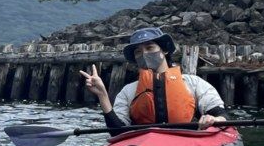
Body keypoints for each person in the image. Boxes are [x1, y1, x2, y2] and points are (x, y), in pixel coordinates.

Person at [80, 27, 227, 133]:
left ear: (164, 50)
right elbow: (117, 132)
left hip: (188, 144)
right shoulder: (128, 92)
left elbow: (222, 115)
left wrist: (215, 119)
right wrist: (102, 95)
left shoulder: (193, 83)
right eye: (138, 51)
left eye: (150, 48)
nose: (144, 54)